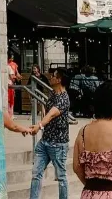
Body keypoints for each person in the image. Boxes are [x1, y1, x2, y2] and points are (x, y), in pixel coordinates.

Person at [29, 68, 71, 199]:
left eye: (53, 76)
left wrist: (39, 125)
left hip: (58, 144)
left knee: (61, 177)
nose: (50, 77)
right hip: (45, 141)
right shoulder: (53, 93)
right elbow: (47, 110)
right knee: (36, 173)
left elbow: (52, 113)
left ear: (59, 80)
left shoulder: (64, 98)